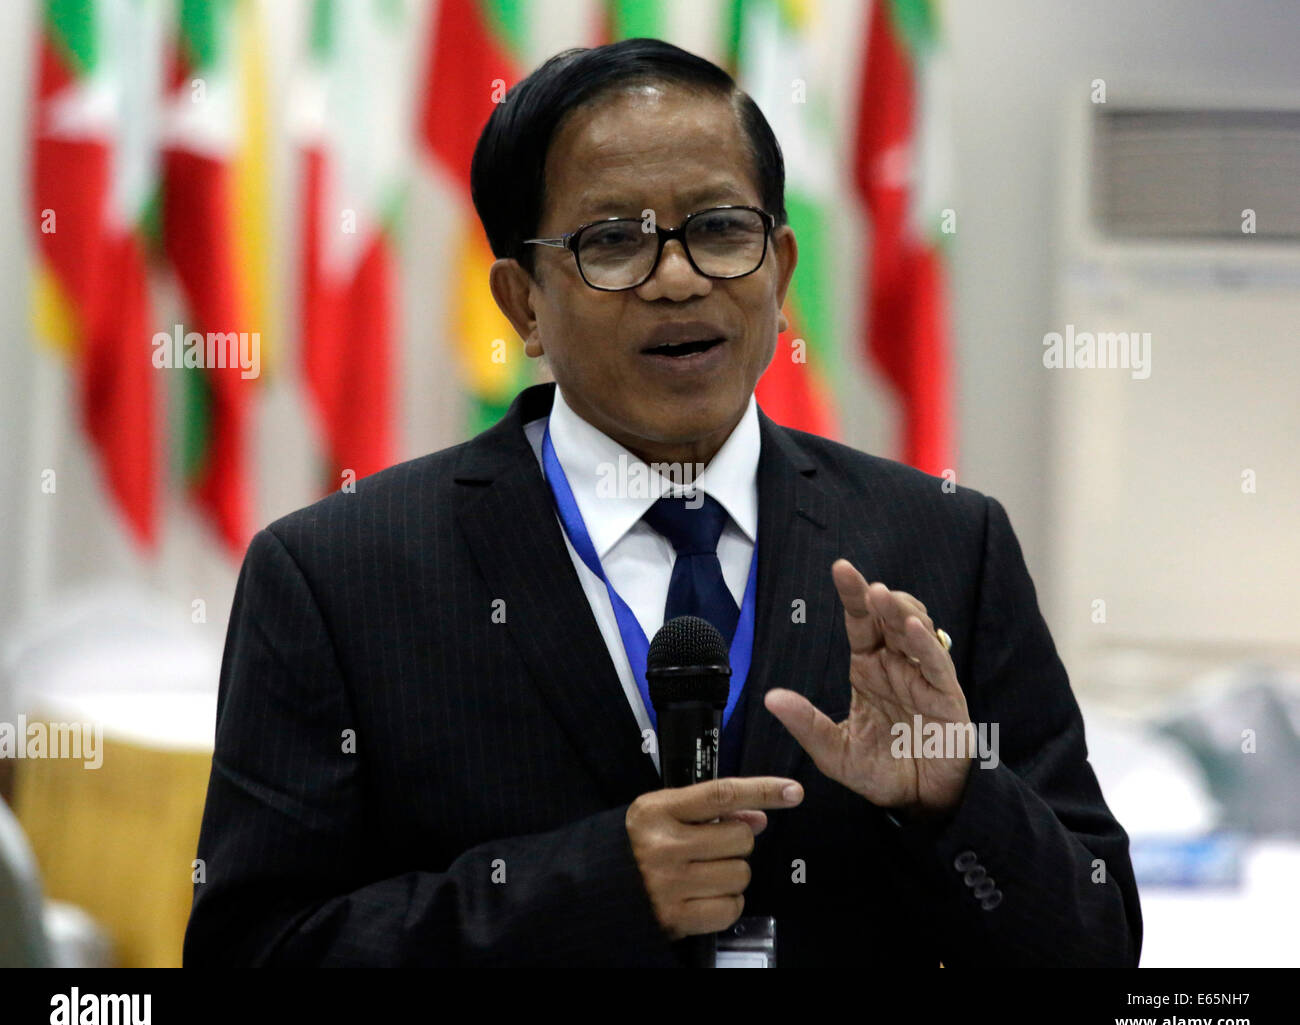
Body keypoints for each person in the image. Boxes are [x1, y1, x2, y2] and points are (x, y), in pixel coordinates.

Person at [183, 38, 1141, 967]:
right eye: (613, 241)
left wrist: (957, 797)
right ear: (521, 303)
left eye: (722, 229)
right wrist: (595, 886)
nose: (678, 278)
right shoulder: (338, 576)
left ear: (781, 267)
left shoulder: (944, 543)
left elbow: (1097, 943)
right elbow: (253, 949)